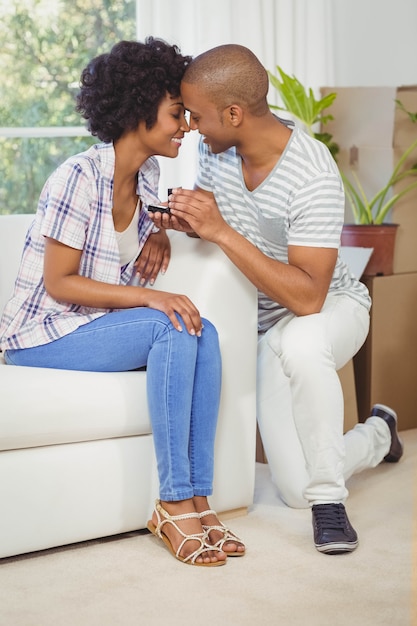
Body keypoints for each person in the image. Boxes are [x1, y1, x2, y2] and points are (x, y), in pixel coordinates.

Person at [149, 43, 404, 555]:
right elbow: (225, 231)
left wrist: (219, 230)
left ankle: (331, 504)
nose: (192, 127)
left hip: (331, 310)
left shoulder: (310, 172)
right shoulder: (216, 152)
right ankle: (380, 433)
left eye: (198, 116)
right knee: (292, 488)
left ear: (234, 113)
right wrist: (184, 225)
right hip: (268, 327)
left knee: (307, 343)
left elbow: (309, 298)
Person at [0, 38, 245, 566]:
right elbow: (61, 282)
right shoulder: (77, 177)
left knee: (206, 329)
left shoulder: (147, 179)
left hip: (90, 326)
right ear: (138, 111)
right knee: (171, 322)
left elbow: (124, 249)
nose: (187, 126)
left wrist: (158, 233)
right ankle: (174, 501)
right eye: (177, 114)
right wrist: (151, 296)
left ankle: (200, 500)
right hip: (42, 332)